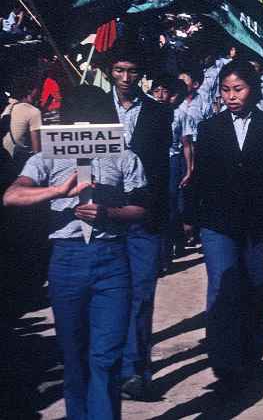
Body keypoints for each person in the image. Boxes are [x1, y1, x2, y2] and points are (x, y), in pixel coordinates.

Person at [4, 86, 149, 420]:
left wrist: (109, 213)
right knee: (74, 355)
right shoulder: (45, 158)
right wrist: (58, 191)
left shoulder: (124, 155)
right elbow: (12, 196)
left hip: (111, 259)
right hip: (66, 259)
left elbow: (142, 207)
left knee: (106, 355)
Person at [183, 59, 263, 389]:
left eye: (238, 89)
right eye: (226, 90)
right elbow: (198, 178)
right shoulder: (209, 129)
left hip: (258, 222)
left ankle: (249, 350)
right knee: (222, 285)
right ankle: (223, 359)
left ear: (252, 90)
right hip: (217, 222)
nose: (232, 96)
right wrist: (191, 219)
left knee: (252, 284)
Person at [103, 41, 172, 400]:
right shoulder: (95, 112)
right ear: (109, 72)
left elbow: (162, 171)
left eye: (132, 71)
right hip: (103, 219)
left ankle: (136, 371)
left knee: (142, 294)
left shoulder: (159, 114)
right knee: (107, 297)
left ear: (141, 74)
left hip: (144, 218)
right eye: (119, 70)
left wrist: (163, 220)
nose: (126, 77)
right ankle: (107, 369)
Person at [149, 77, 196, 267]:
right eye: (156, 91)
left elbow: (187, 145)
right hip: (152, 162)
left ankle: (167, 253)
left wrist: (189, 169)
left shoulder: (180, 115)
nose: (160, 95)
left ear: (172, 95)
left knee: (171, 207)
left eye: (164, 91)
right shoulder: (148, 113)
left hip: (173, 161)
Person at [2, 71, 42, 174]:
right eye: (38, 88)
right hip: (18, 163)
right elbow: (36, 151)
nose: (40, 91)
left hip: (4, 159)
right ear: (31, 90)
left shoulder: (8, 106)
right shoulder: (34, 112)